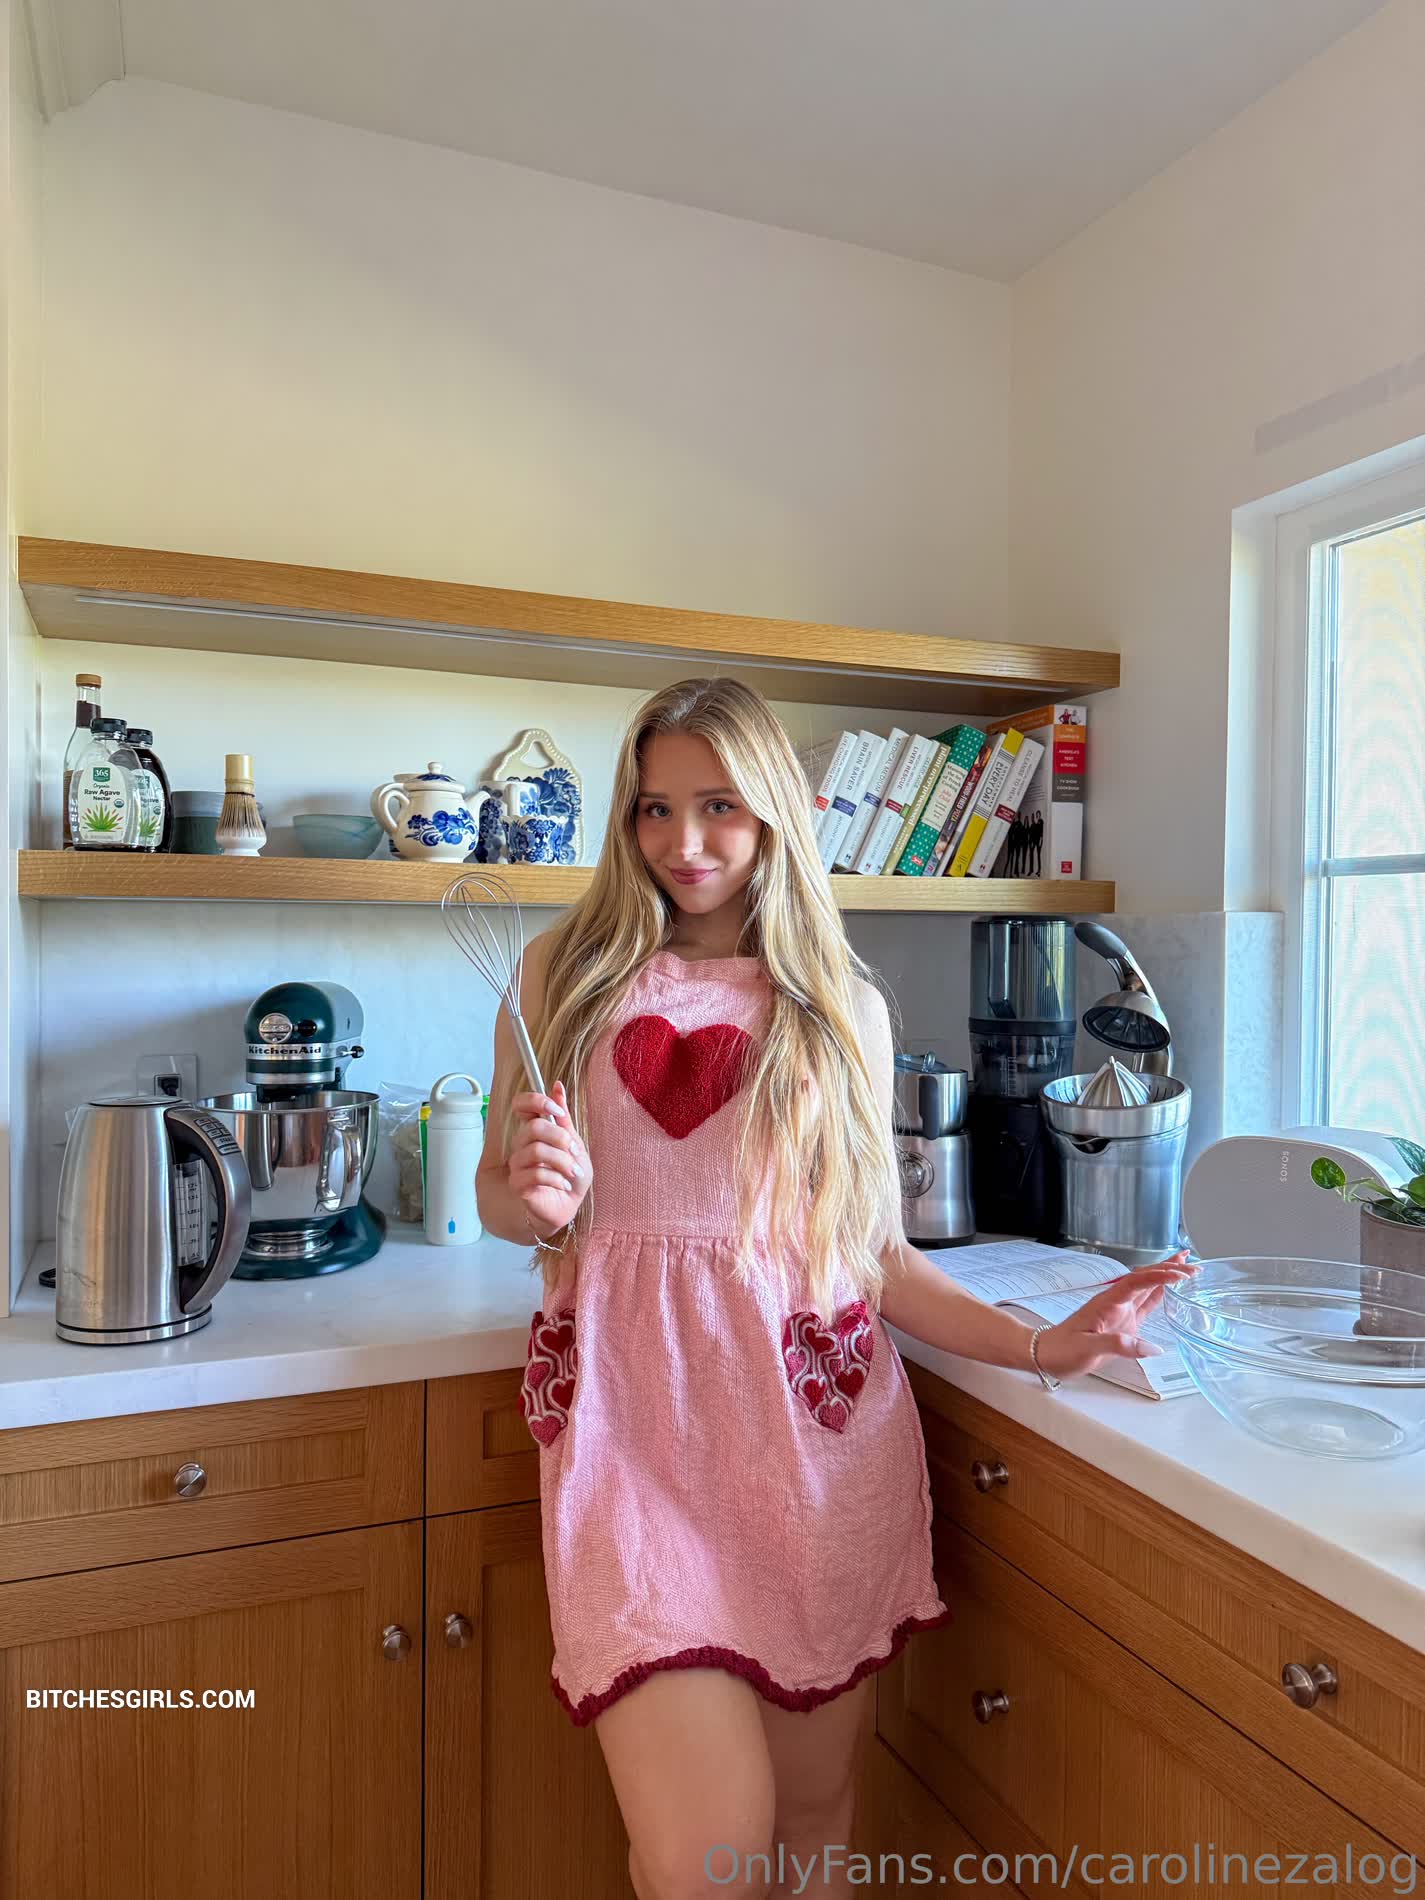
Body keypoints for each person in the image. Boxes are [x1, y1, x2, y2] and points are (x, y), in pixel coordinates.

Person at [475, 676, 1194, 1900]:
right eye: (655, 806)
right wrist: (530, 1202)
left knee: (815, 1827)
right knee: (705, 1862)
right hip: (630, 1446)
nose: (685, 841)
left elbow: (872, 1257)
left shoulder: (839, 1005)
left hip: (808, 1457)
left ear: (775, 814)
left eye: (720, 805)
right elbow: (503, 1195)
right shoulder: (561, 975)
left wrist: (1045, 1345)